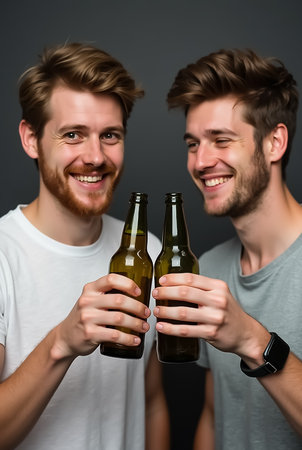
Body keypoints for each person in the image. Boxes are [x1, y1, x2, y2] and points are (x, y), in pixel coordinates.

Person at [0, 42, 169, 450]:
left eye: (109, 135)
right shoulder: (4, 255)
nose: (95, 157)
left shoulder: (147, 249)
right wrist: (62, 342)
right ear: (30, 139)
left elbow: (151, 401)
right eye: (73, 134)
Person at [152, 48, 302, 449]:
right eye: (192, 144)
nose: (201, 162)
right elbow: (217, 414)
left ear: (274, 143)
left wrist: (254, 342)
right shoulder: (211, 267)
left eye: (221, 140)